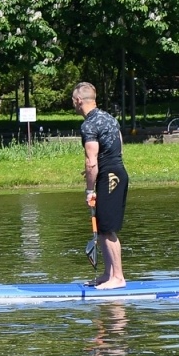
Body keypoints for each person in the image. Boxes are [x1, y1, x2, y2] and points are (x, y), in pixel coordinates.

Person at [73, 82, 128, 289]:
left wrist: (89, 189)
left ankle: (119, 278)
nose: (73, 104)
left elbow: (91, 161)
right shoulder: (109, 118)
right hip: (115, 173)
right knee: (104, 227)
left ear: (79, 100)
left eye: (73, 101)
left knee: (107, 228)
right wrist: (99, 172)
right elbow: (118, 146)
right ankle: (108, 274)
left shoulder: (88, 125)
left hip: (110, 176)